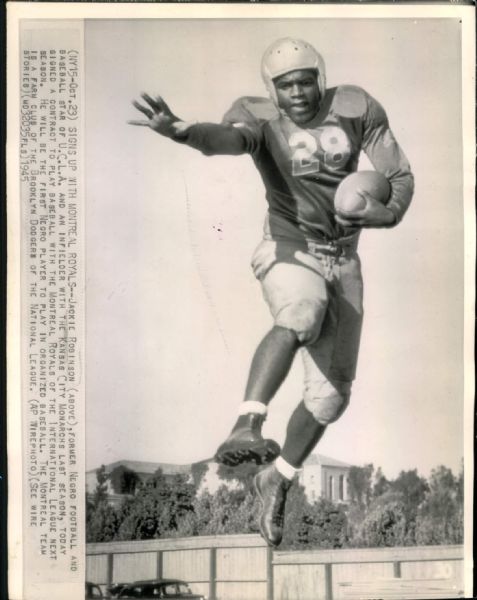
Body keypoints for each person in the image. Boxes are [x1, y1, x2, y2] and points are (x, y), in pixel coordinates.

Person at [129, 37, 414, 547]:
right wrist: (184, 132)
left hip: (344, 255)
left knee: (330, 399)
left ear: (320, 79)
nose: (298, 92)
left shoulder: (355, 105)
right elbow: (228, 139)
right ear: (271, 89)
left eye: (306, 80)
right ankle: (247, 423)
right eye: (287, 85)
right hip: (289, 245)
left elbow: (399, 175)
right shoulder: (258, 116)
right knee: (303, 311)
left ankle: (276, 478)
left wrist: (387, 212)